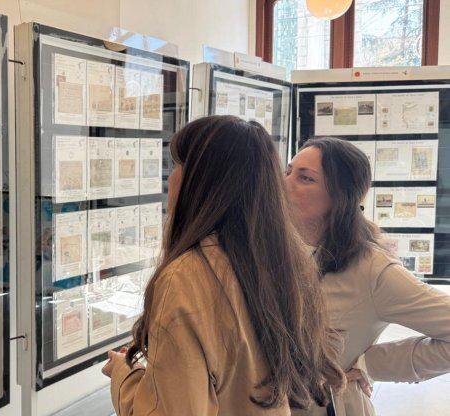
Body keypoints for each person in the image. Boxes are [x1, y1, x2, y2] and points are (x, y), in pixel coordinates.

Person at [102, 115, 345, 414]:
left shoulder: (186, 276)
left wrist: (123, 375)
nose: (171, 177)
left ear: (203, 181)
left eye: (180, 164)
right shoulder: (281, 262)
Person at [285, 137, 450, 415]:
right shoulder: (270, 251)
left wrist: (369, 364)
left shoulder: (371, 268)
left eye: (305, 178)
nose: (283, 183)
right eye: (288, 171)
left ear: (339, 197)